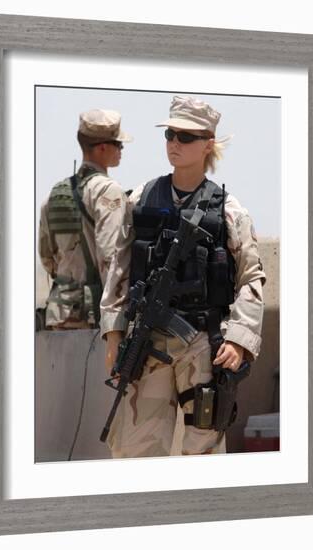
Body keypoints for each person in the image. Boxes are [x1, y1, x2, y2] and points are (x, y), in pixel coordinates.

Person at [100, 95, 266, 458]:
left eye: (186, 137)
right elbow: (120, 266)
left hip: (204, 346)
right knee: (136, 452)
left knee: (202, 452)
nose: (174, 143)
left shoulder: (228, 210)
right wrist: (113, 333)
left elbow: (251, 277)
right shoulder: (142, 197)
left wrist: (239, 340)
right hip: (147, 344)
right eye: (170, 134)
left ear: (208, 145)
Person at [38, 109, 131, 330]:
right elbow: (111, 257)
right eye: (118, 144)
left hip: (58, 313)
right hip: (94, 316)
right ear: (102, 148)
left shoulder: (55, 194)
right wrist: (117, 318)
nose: (121, 150)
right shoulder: (107, 190)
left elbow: (47, 258)